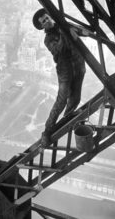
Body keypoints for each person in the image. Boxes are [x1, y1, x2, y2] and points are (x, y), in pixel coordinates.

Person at [32, 8, 86, 147]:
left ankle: (68, 118)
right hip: (65, 70)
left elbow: (82, 31)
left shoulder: (64, 25)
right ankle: (47, 132)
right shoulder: (48, 39)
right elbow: (59, 50)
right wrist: (63, 31)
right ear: (42, 26)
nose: (46, 21)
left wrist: (82, 30)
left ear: (50, 17)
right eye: (43, 21)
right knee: (61, 100)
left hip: (78, 66)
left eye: (46, 18)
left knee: (76, 98)